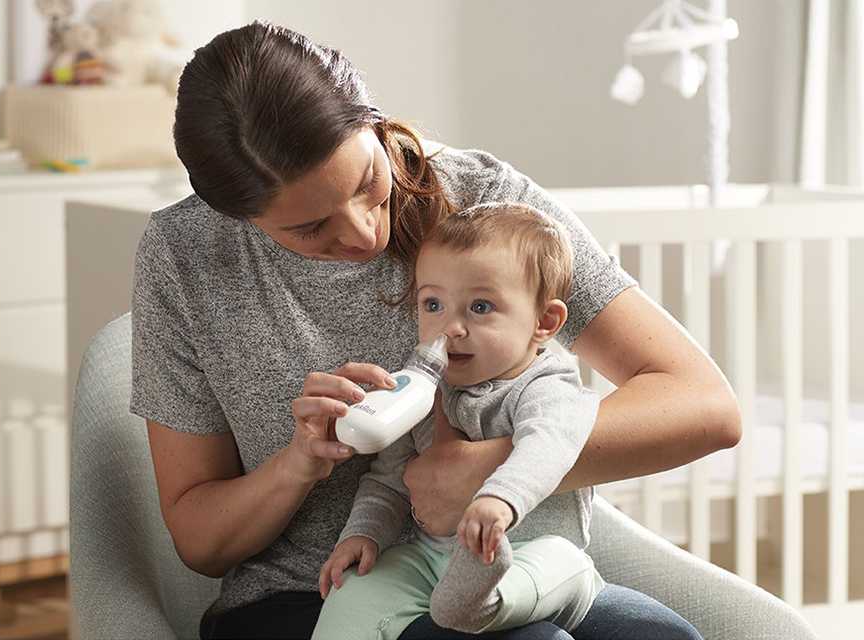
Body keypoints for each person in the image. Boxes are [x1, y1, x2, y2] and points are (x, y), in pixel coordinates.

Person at [132, 20, 741, 640]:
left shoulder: (486, 206)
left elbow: (705, 406)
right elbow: (200, 543)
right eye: (310, 229)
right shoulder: (187, 255)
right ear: (236, 218)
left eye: (369, 184)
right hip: (314, 594)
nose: (365, 233)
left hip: (505, 563)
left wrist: (492, 471)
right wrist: (299, 462)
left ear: (371, 122)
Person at [312, 203, 612, 639]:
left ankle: (481, 603)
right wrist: (363, 535)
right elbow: (389, 479)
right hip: (434, 557)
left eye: (481, 307)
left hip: (532, 554)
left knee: (555, 565)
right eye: (433, 304)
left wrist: (500, 500)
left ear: (544, 322)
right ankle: (449, 597)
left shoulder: (548, 387)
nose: (450, 326)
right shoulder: (422, 391)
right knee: (354, 590)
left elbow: (550, 444)